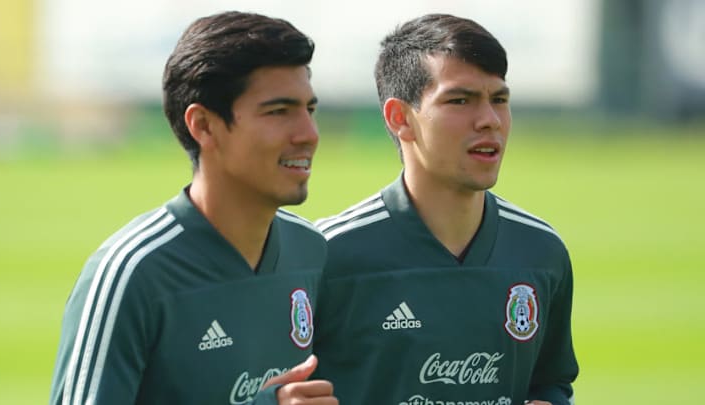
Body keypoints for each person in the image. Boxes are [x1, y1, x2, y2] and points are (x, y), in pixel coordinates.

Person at [49, 11, 338, 405]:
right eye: (278, 111)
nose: (308, 134)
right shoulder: (132, 273)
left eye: (310, 110)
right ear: (203, 125)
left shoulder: (312, 250)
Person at [312, 13, 578, 405]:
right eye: (460, 100)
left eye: (499, 100)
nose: (490, 121)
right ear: (400, 118)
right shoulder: (326, 255)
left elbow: (551, 383)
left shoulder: (541, 251)